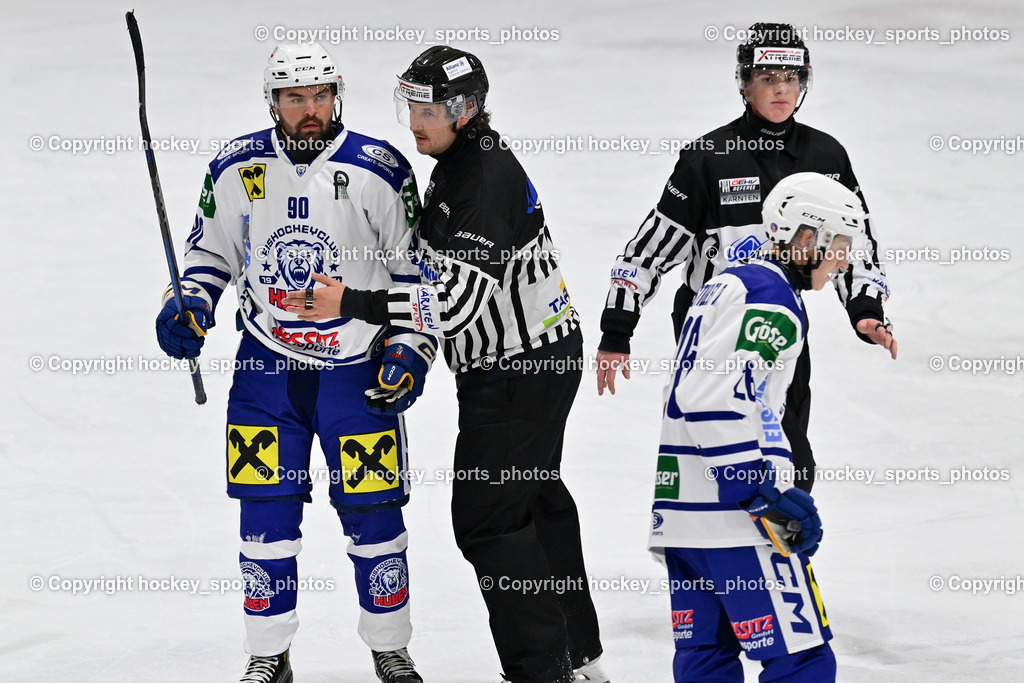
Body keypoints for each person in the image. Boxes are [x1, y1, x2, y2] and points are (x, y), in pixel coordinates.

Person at [283, 46, 608, 683]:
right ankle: (578, 657)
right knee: (536, 503)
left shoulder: (482, 182)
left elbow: (452, 306)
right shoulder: (461, 163)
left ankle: (542, 671)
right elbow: (441, 286)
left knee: (490, 519)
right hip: (530, 359)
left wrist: (345, 301)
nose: (413, 122)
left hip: (520, 368)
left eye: (427, 109)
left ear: (465, 110)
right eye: (409, 105)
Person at [154, 42, 433, 683]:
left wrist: (408, 349)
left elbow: (415, 274)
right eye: (294, 98)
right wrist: (188, 303)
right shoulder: (236, 166)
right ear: (273, 102)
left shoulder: (380, 168)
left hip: (356, 371)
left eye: (320, 95)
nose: (310, 110)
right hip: (266, 370)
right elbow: (210, 254)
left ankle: (390, 646)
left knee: (375, 512)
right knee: (264, 512)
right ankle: (267, 653)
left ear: (337, 95)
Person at [597, 22, 896, 494]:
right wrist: (617, 329)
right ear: (744, 84)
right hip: (714, 325)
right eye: (767, 78)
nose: (781, 89)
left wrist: (866, 310)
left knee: (793, 462)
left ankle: (778, 550)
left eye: (792, 79)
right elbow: (650, 251)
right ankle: (736, 548)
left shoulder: (827, 155)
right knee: (728, 449)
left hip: (782, 320)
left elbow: (853, 241)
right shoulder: (709, 158)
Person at [649, 172, 867, 682]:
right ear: (805, 238)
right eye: (839, 244)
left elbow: (692, 392)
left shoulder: (725, 282)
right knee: (802, 661)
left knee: (708, 660)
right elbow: (708, 396)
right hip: (738, 520)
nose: (843, 260)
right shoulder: (770, 298)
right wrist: (757, 490)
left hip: (684, 514)